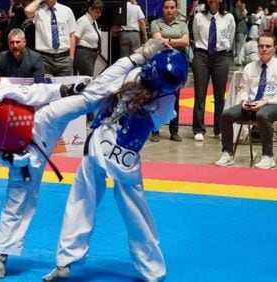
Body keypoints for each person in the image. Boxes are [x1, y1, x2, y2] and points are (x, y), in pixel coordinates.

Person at [0, 38, 166, 279]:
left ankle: (136, 58)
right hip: (24, 157)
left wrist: (64, 90)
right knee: (16, 203)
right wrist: (8, 159)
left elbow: (33, 93)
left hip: (41, 124)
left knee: (86, 97)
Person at [42, 48, 188, 282]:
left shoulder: (133, 75)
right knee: (135, 211)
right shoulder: (166, 101)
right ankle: (153, 270)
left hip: (103, 142)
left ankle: (66, 261)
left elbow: (107, 95)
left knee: (82, 199)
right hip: (122, 153)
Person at [215, 33, 277, 169]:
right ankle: (227, 154)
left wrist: (264, 103)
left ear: (275, 48)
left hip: (273, 104)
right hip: (252, 104)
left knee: (262, 115)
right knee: (226, 114)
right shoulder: (250, 67)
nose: (264, 49)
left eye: (268, 46)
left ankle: (268, 157)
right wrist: (244, 100)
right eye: (261, 46)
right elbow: (244, 90)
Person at [191, 0, 235, 141]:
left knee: (219, 95)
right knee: (200, 94)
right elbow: (196, 36)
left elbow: (230, 38)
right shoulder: (199, 17)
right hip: (202, 55)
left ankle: (219, 129)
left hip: (221, 57)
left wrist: (220, 49)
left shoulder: (228, 17)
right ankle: (198, 129)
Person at [148, 0, 189, 143]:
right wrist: (175, 40)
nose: (169, 10)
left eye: (172, 7)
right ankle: (155, 130)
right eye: (166, 7)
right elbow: (157, 40)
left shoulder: (183, 24)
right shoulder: (155, 23)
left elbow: (186, 41)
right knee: (157, 98)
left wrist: (168, 40)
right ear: (163, 9)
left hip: (177, 68)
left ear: (176, 9)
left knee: (175, 99)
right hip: (160, 66)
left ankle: (174, 131)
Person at [24, 0, 76, 77]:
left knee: (66, 87)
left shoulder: (66, 10)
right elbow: (27, 11)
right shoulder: (38, 11)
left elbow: (72, 35)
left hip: (64, 58)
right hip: (45, 59)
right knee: (46, 87)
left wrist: (71, 57)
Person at [73, 0, 104, 77]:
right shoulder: (83, 21)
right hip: (84, 54)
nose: (99, 15)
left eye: (100, 12)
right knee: (88, 78)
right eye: (97, 12)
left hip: (91, 54)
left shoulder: (94, 21)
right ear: (90, 9)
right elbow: (75, 38)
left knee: (88, 77)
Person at [233, 0, 248, 66]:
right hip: (239, 30)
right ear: (236, 4)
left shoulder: (241, 10)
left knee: (243, 46)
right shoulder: (236, 10)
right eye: (239, 2)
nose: (240, 3)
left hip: (244, 30)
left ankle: (241, 59)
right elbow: (238, 17)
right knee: (239, 46)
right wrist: (244, 14)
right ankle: (237, 60)